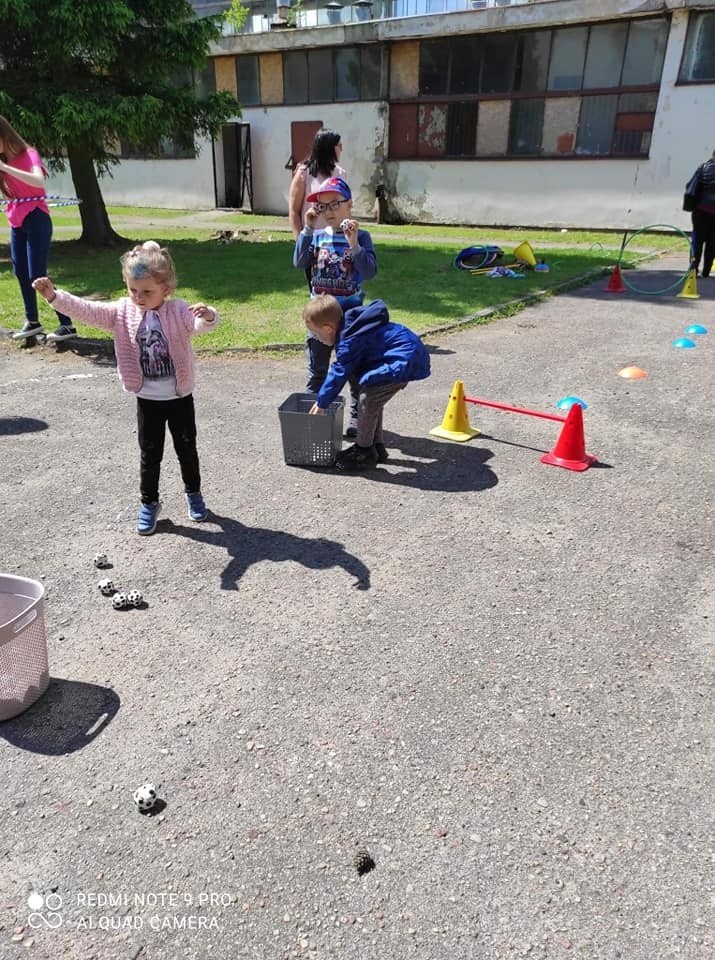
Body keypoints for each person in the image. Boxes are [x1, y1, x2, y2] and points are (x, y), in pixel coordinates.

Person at [32, 241, 219, 535]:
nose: (139, 297)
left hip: (180, 395)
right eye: (133, 290)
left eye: (147, 291)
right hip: (147, 398)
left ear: (165, 289)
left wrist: (207, 314)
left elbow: (198, 324)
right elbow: (88, 310)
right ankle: (149, 502)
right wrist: (55, 297)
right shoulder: (121, 311)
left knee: (186, 448)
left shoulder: (178, 310)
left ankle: (193, 493)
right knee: (149, 453)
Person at [305, 294, 431, 470]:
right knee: (372, 399)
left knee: (367, 400)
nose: (316, 338)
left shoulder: (348, 340)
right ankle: (376, 446)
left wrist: (322, 401)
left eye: (315, 334)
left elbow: (339, 372)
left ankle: (363, 452)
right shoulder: (351, 329)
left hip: (403, 360)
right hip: (405, 354)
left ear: (327, 328)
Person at [293, 176, 377, 437]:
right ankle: (312, 418)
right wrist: (306, 229)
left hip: (349, 321)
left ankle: (355, 417)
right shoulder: (317, 236)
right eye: (322, 206)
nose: (328, 212)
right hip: (319, 318)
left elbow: (370, 271)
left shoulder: (362, 236)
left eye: (334, 205)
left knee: (352, 372)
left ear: (349, 205)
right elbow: (299, 262)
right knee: (317, 371)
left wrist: (354, 245)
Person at [0, 115, 77, 343]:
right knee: (21, 272)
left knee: (37, 275)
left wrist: (5, 167)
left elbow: (37, 181)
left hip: (37, 218)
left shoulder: (29, 154)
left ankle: (67, 324)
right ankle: (32, 322)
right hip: (17, 220)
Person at [289, 129, 346, 244]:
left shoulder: (341, 173)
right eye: (339, 145)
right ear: (329, 147)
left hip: (335, 240)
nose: (342, 149)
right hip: (311, 239)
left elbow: (346, 208)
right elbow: (294, 211)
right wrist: (299, 241)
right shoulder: (304, 173)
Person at [686, 148, 715, 278]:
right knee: (712, 243)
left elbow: (691, 186)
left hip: (701, 210)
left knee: (697, 241)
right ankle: (706, 271)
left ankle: (693, 269)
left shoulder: (703, 168)